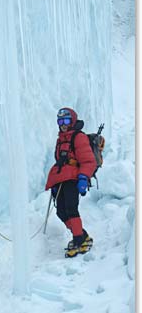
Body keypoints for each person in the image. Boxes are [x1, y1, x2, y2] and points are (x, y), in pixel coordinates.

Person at [45, 107, 96, 257]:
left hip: (73, 179)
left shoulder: (78, 137)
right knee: (61, 211)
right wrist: (54, 184)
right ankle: (82, 235)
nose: (63, 124)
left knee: (71, 209)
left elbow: (88, 161)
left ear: (72, 120)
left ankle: (78, 240)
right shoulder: (60, 139)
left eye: (66, 120)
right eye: (60, 121)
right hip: (61, 180)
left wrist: (83, 178)